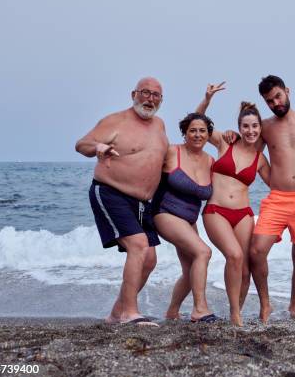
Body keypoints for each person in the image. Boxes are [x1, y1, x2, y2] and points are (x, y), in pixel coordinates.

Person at [75, 77, 168, 326]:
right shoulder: (115, 121)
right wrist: (98, 148)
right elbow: (82, 144)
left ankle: (116, 314)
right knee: (138, 245)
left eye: (156, 95)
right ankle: (130, 313)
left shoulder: (159, 125)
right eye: (145, 93)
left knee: (149, 260)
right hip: (111, 193)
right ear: (133, 94)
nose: (150, 99)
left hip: (142, 203)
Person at [194, 83, 271, 326]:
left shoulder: (260, 159)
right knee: (235, 255)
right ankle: (236, 315)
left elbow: (278, 184)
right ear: (238, 127)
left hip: (244, 214)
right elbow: (199, 122)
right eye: (246, 126)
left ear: (260, 129)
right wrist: (207, 98)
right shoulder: (224, 143)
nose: (250, 131)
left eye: (255, 126)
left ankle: (235, 310)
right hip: (216, 210)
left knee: (246, 267)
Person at [247, 75, 295, 322]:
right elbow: (251, 155)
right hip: (277, 198)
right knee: (257, 251)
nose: (275, 103)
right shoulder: (265, 126)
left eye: (278, 96)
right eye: (269, 101)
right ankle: (265, 304)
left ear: (287, 91)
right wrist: (271, 178)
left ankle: (293, 307)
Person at [152, 113, 218, 323]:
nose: (197, 135)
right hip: (165, 213)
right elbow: (143, 163)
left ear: (209, 135)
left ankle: (172, 312)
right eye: (192, 130)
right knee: (203, 252)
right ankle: (200, 309)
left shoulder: (211, 161)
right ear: (185, 133)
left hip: (189, 221)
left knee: (191, 271)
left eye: (202, 131)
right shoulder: (172, 152)